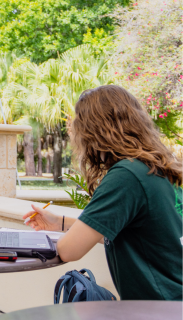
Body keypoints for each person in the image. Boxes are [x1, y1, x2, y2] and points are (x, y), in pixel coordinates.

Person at [23, 85, 182, 301]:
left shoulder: (127, 176)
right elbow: (118, 231)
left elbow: (69, 251)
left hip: (161, 309)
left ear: (93, 132)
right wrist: (59, 222)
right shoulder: (158, 167)